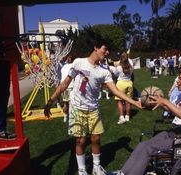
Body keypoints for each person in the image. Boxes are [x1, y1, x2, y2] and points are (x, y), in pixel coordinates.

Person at [44, 37, 142, 175]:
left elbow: (115, 90)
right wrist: (51, 100)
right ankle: (82, 170)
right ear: (96, 47)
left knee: (96, 138)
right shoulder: (79, 63)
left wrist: (133, 102)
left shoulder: (104, 71)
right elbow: (65, 83)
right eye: (105, 49)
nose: (107, 52)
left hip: (93, 109)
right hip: (77, 108)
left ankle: (96, 168)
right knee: (81, 141)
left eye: (108, 50)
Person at [111, 67, 181, 175]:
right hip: (175, 131)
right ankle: (122, 172)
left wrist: (165, 102)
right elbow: (172, 109)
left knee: (149, 148)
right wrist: (156, 103)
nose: (177, 81)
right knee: (142, 145)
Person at [112, 52, 134, 124]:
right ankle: (127, 116)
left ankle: (122, 117)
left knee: (119, 101)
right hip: (129, 83)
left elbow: (115, 74)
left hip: (121, 83)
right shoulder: (131, 67)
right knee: (128, 101)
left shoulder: (119, 67)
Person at [0, 59, 16, 139]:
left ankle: (1, 129)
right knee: (2, 96)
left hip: (5, 58)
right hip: (1, 60)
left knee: (4, 95)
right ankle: (0, 130)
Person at [60, 52, 75, 122]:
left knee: (66, 103)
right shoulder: (74, 66)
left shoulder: (63, 66)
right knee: (72, 104)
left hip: (63, 86)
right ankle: (72, 118)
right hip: (71, 86)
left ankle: (65, 117)